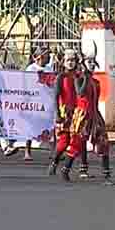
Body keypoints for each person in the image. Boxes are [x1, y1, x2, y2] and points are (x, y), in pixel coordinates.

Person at [48, 49, 89, 181]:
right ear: (64, 62)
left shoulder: (79, 76)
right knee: (64, 142)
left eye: (73, 60)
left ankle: (83, 167)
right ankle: (55, 161)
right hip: (65, 112)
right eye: (68, 61)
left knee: (81, 139)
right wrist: (57, 114)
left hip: (78, 113)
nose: (71, 63)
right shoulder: (61, 77)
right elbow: (55, 97)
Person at [77, 51, 112, 185]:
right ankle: (79, 168)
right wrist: (85, 77)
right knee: (80, 143)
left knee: (103, 142)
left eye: (93, 62)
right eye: (89, 62)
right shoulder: (79, 78)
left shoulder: (96, 82)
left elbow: (96, 100)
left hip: (95, 114)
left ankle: (106, 174)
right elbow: (80, 93)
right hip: (83, 115)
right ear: (83, 64)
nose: (91, 65)